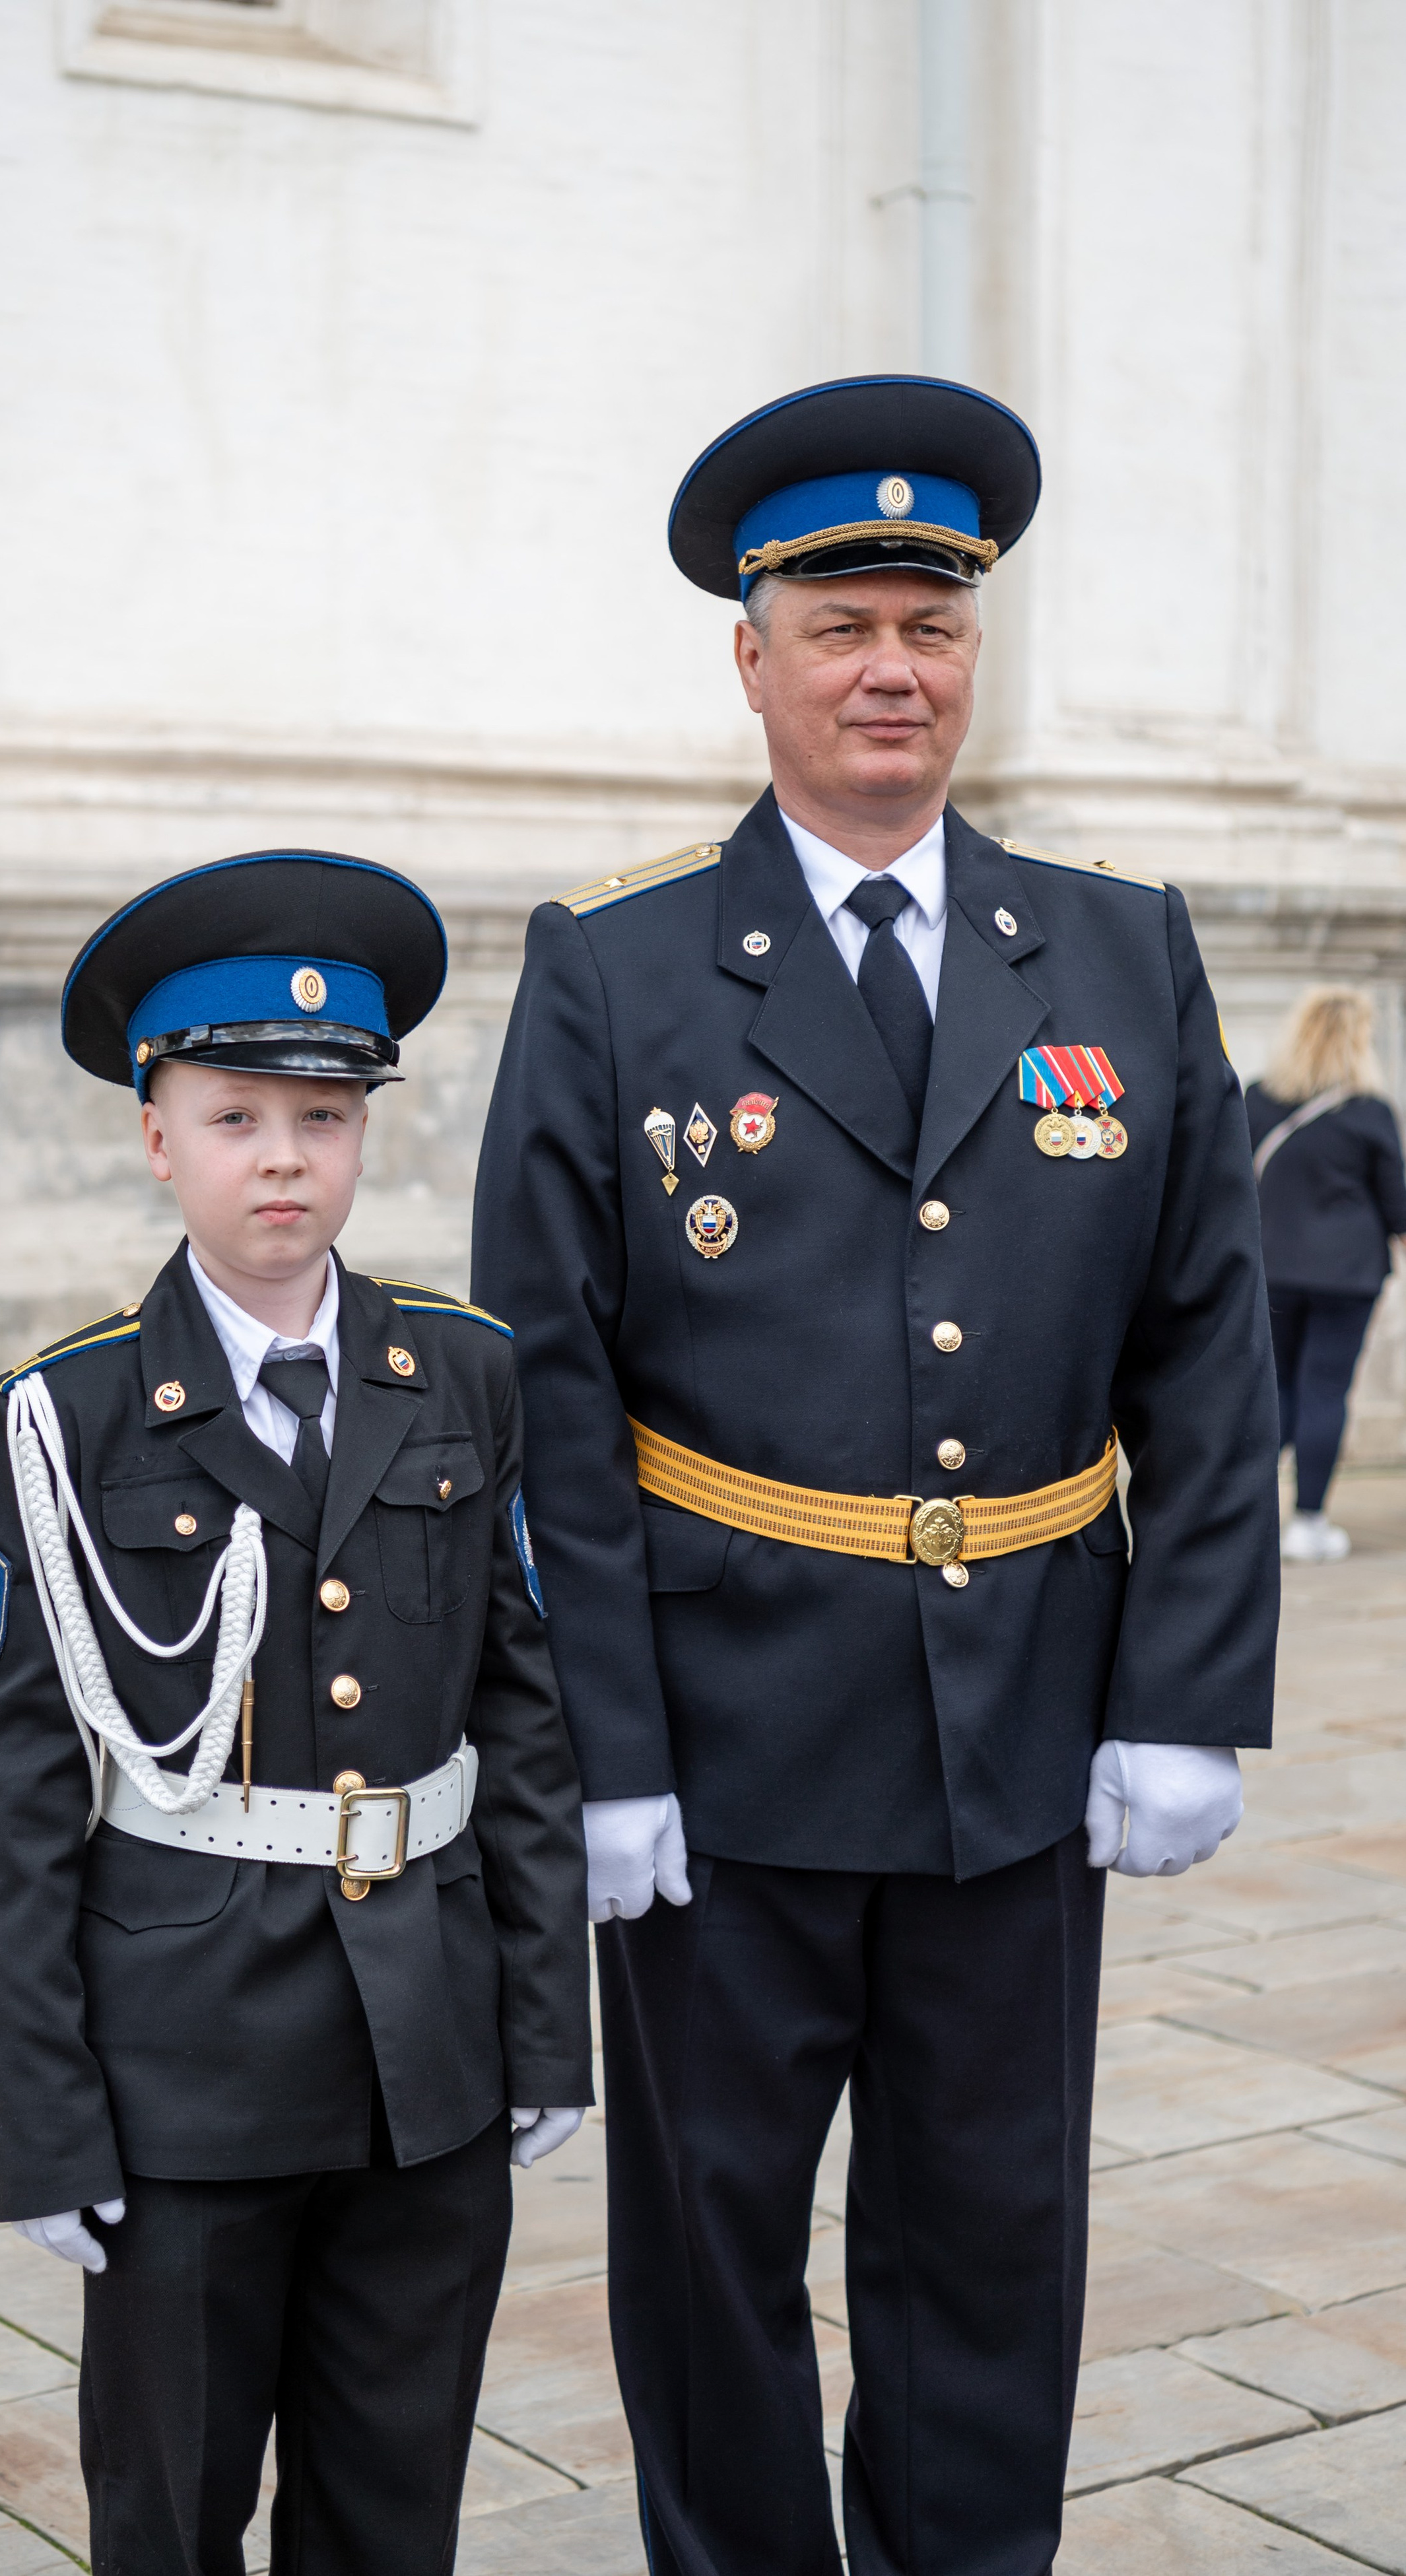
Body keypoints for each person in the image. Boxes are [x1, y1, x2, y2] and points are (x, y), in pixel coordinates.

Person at [472, 377, 1281, 2576]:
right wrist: (602, 1749)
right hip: (724, 1742)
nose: (892, 668)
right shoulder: (617, 963)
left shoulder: (1117, 945)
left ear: (975, 648)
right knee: (712, 2243)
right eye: (841, 626)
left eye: (932, 623)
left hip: (1023, 1722)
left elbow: (1207, 1346)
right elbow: (547, 1387)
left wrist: (1184, 1689)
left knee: (995, 2229)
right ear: (753, 658)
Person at [0, 849, 592, 2576]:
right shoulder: (65, 1414)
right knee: (170, 2512)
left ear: (366, 1131)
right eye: (234, 1116)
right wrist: (43, 2113)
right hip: (184, 2068)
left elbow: (523, 1715)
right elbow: (20, 1793)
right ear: (157, 1135)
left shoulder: (465, 1369)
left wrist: (547, 2027)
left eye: (323, 1115)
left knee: (393, 2508)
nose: (284, 1158)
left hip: (426, 2055)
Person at [1246, 986, 1406, 1563]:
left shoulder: (1257, 1099)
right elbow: (1398, 1206)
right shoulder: (1369, 1111)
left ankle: (1247, 1514)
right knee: (1325, 1390)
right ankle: (1309, 1524)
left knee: (1275, 1392)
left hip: (1272, 1266)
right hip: (1348, 1273)